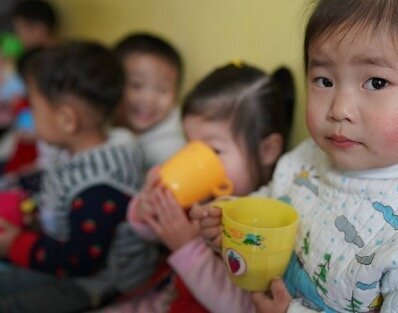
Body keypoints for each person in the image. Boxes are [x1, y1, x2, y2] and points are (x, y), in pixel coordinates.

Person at [192, 0, 398, 312]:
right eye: (324, 81)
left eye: (376, 82)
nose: (339, 109)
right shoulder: (311, 155)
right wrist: (234, 223)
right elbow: (275, 202)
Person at [103, 61, 295, 312]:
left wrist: (187, 247)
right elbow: (151, 229)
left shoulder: (266, 225)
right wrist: (146, 208)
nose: (197, 159)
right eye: (191, 144)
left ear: (267, 150)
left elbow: (242, 307)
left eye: (214, 149)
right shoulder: (202, 197)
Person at [0, 41, 150, 313]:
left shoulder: (101, 186)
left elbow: (78, 261)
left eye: (34, 107)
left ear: (67, 120)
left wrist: (15, 245)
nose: (30, 116)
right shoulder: (76, 148)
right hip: (59, 253)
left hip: (95, 285)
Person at [114, 33, 186, 170]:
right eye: (136, 85)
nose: (149, 100)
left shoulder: (172, 148)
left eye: (162, 89)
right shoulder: (100, 124)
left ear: (177, 95)